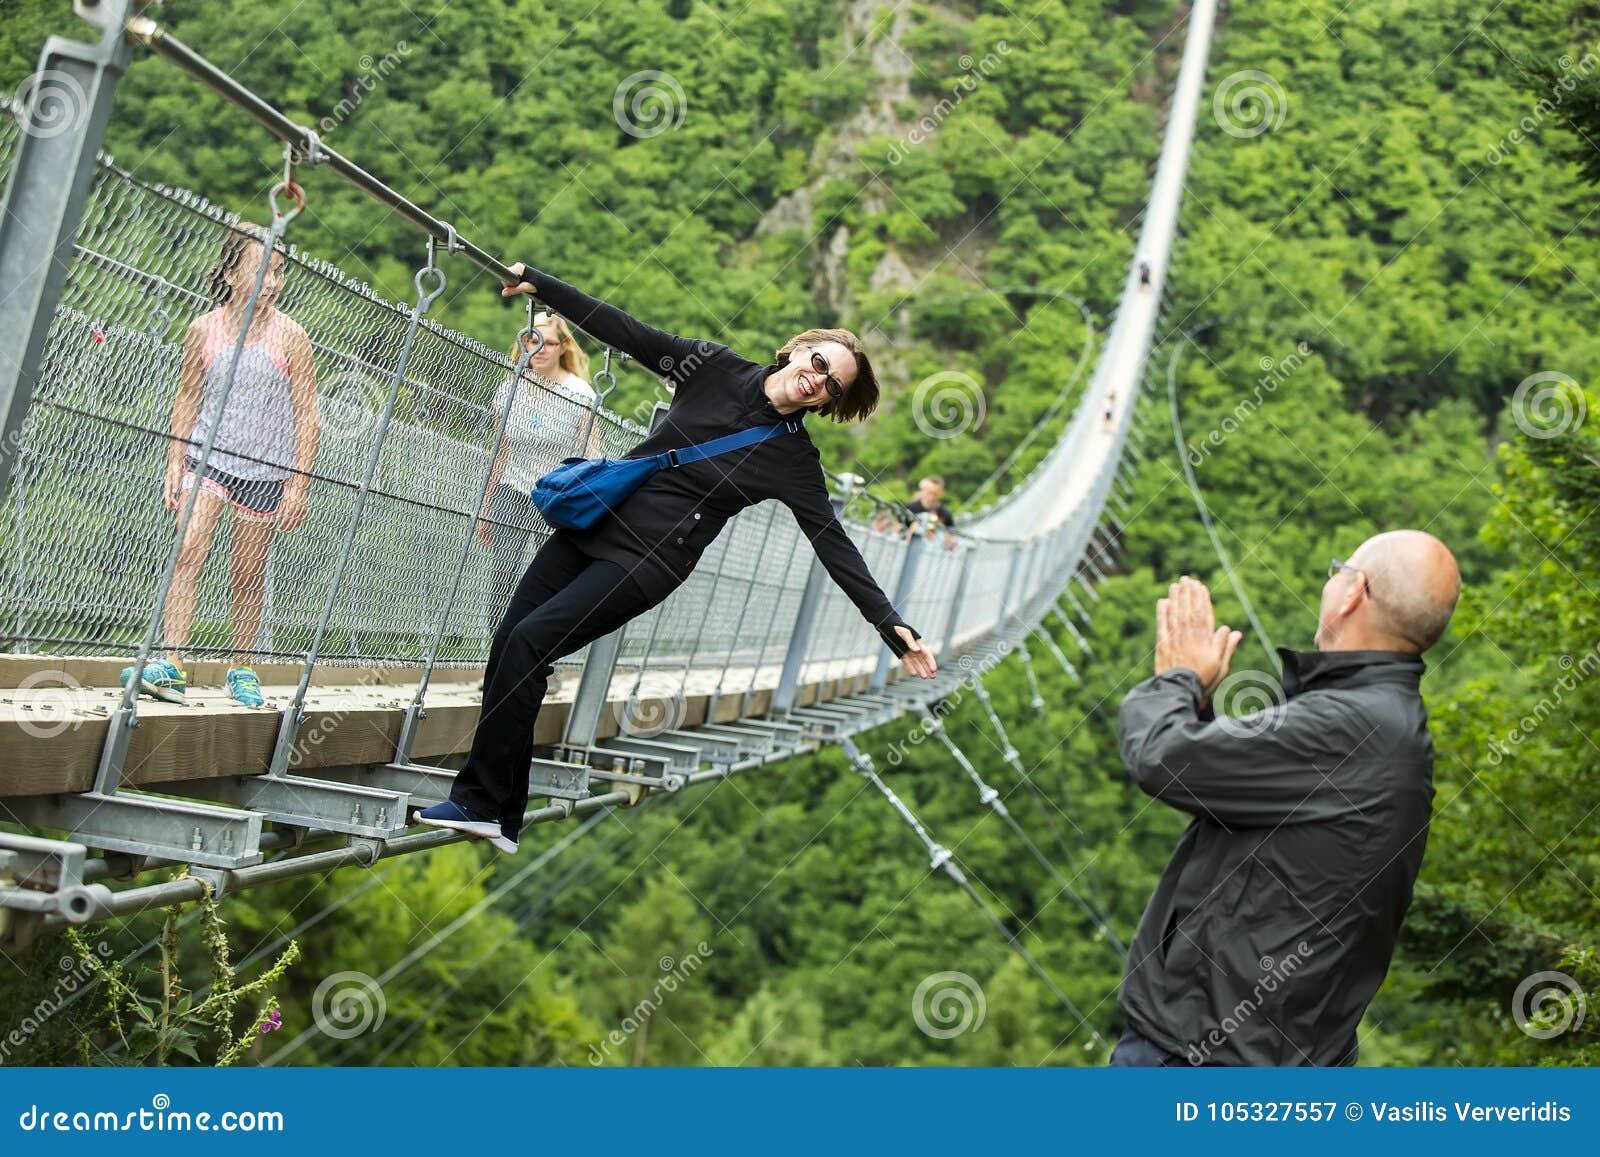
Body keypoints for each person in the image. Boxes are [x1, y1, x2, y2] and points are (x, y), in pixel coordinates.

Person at [418, 262, 939, 854]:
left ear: (828, 402)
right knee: (510, 636)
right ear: (795, 351)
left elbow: (833, 542)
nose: (819, 380)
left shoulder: (793, 461)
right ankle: (497, 810)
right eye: (818, 363)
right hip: (595, 522)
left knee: (533, 640)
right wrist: (543, 285)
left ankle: (482, 802)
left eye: (833, 386)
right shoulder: (713, 367)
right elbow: (627, 331)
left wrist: (888, 622)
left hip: (648, 561)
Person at [1112, 530, 1460, 1066]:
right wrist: (1199, 708)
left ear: (1353, 593)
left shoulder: (1348, 726)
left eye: (1336, 570)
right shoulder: (1387, 723)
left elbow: (1160, 757)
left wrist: (1177, 678)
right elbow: (1229, 791)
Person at [119, 227, 319, 707]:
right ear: (230, 274)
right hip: (206, 458)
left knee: (247, 573)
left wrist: (297, 484)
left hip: (265, 471)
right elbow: (188, 396)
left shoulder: (292, 337)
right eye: (260, 271)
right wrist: (173, 459)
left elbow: (307, 414)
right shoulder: (202, 330)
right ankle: (172, 664)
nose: (271, 282)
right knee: (189, 547)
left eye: (278, 272)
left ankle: (242, 667)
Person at [476, 311, 600, 626]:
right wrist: (486, 505)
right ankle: (500, 647)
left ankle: (538, 649)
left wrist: (588, 503)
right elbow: (500, 451)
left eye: (549, 342)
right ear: (524, 344)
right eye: (533, 340)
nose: (540, 348)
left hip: (557, 494)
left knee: (548, 574)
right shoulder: (509, 391)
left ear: (562, 347)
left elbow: (591, 451)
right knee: (504, 568)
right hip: (514, 489)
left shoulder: (580, 393)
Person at [897, 476, 957, 550]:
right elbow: (898, 530)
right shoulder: (910, 508)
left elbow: (951, 537)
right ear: (923, 490)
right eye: (929, 492)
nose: (931, 496)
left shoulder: (945, 514)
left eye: (935, 494)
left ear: (941, 493)